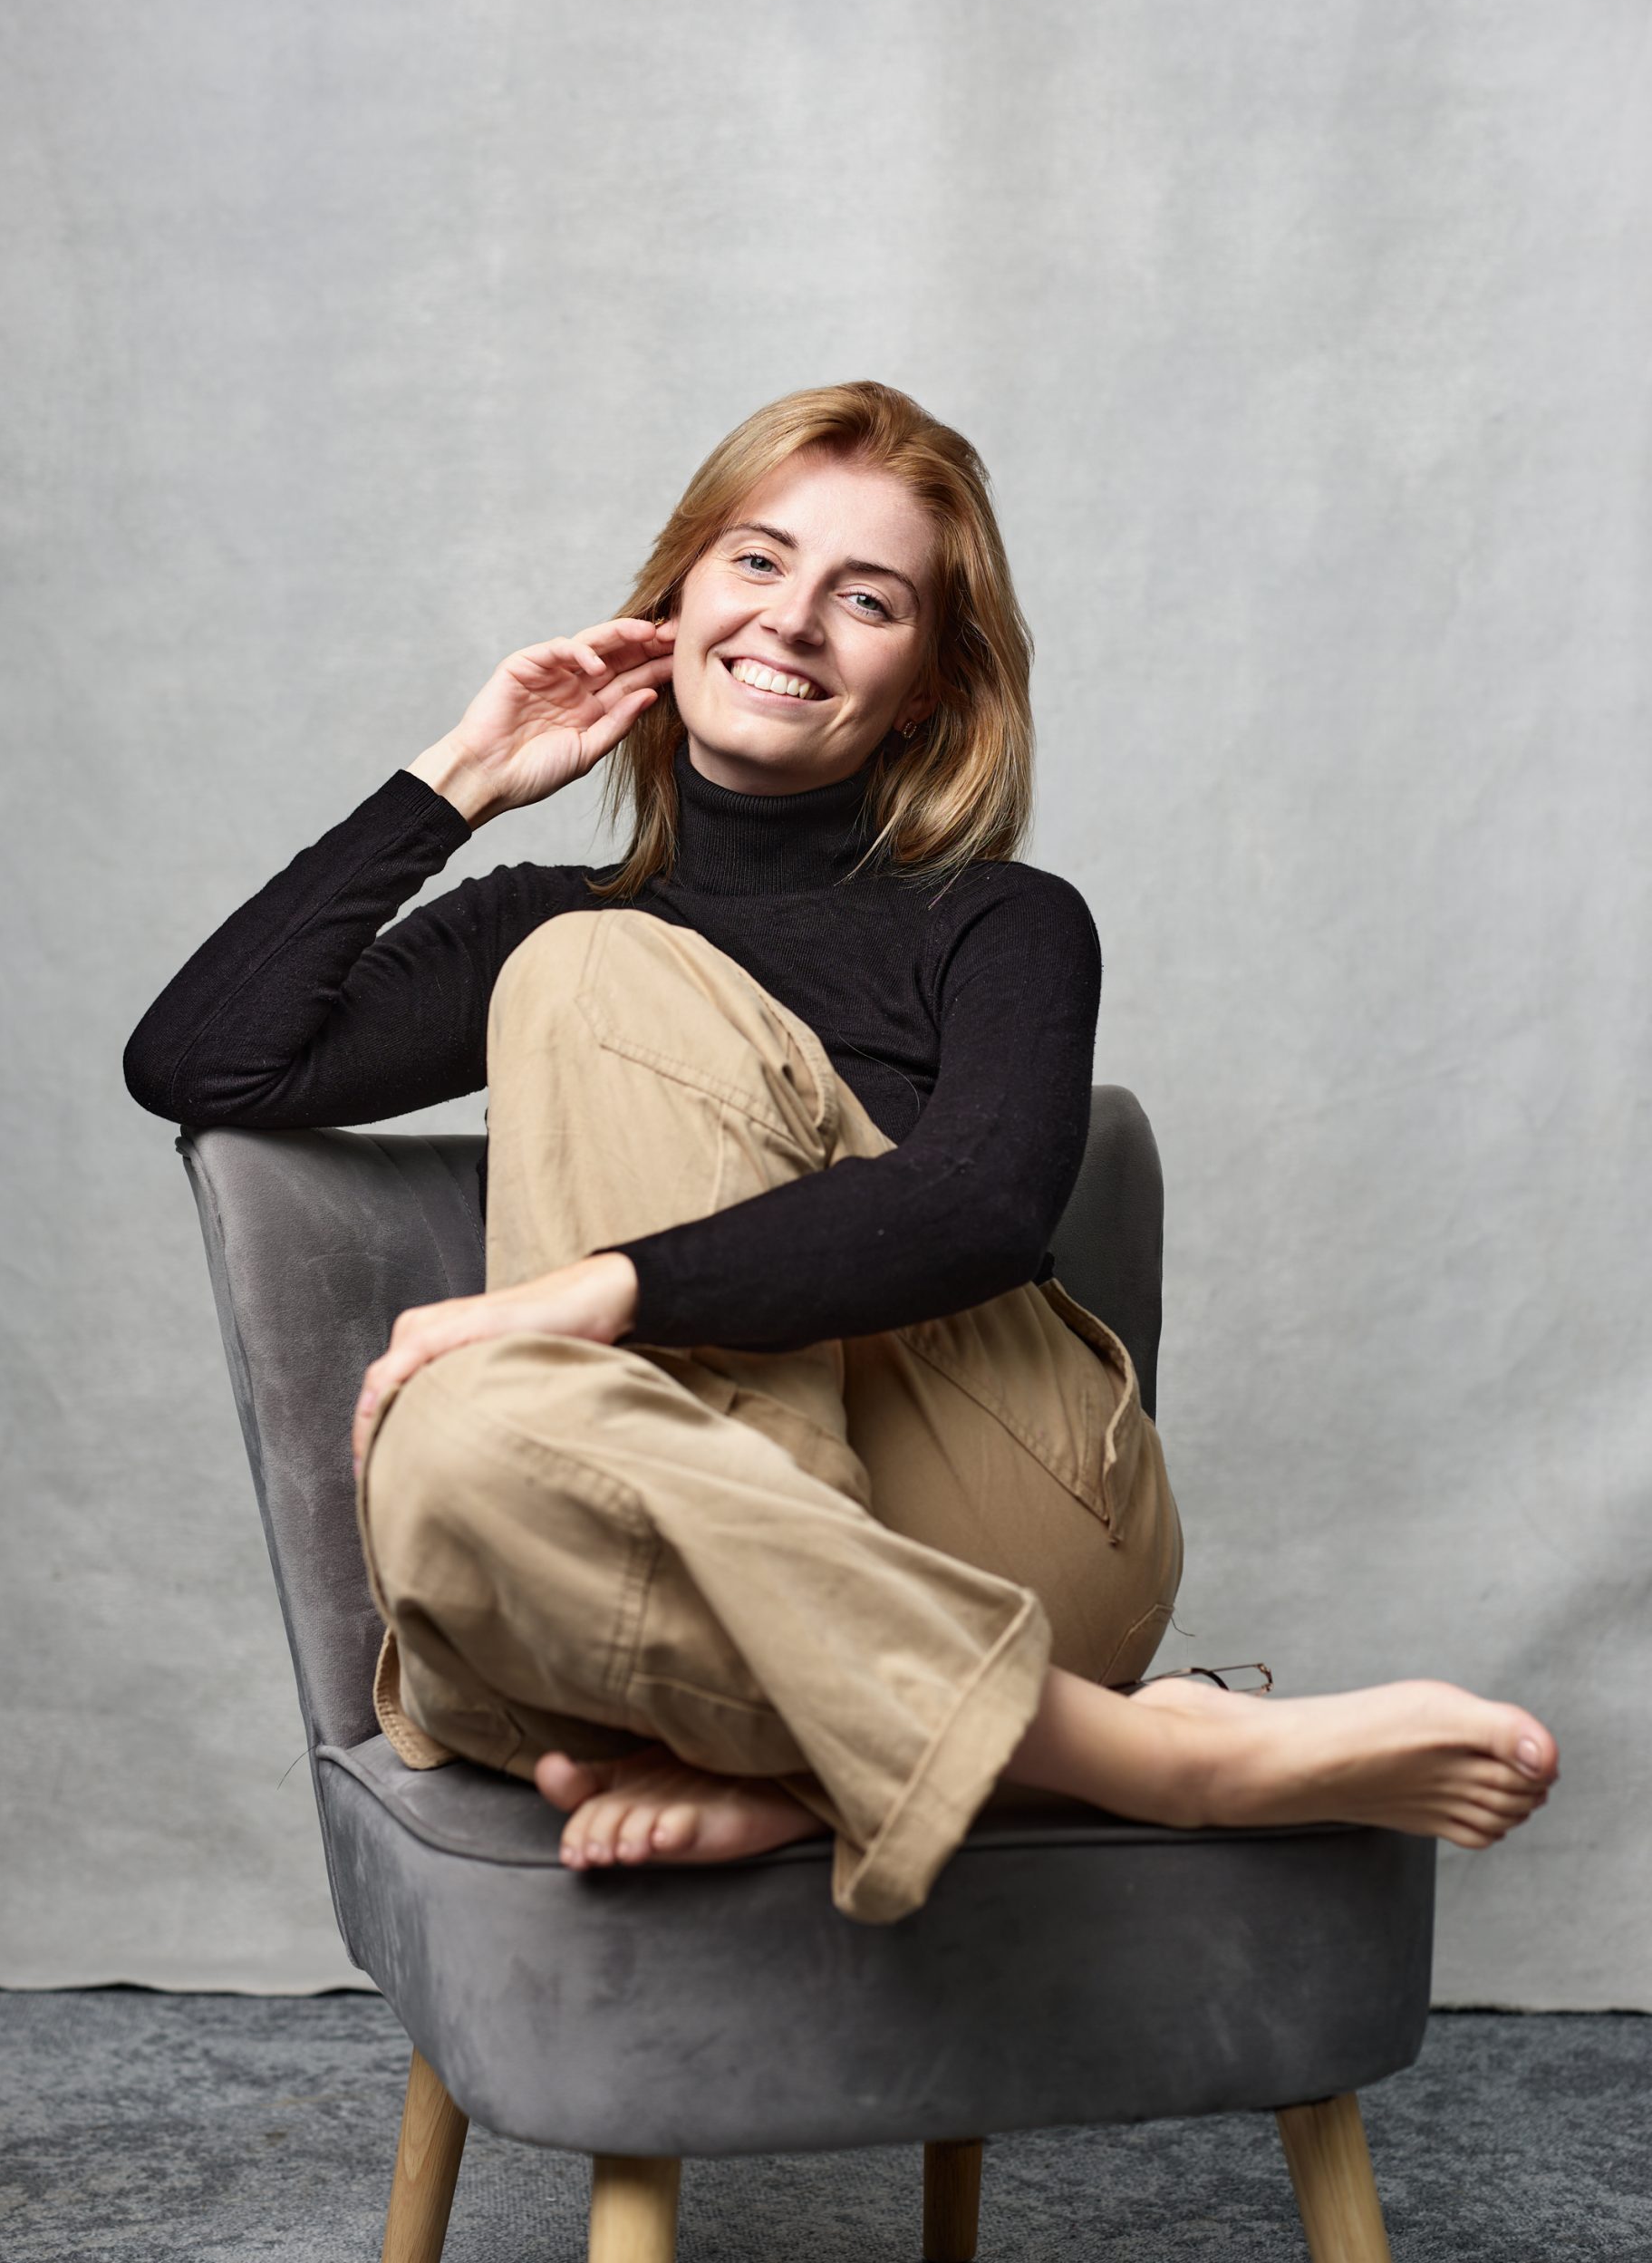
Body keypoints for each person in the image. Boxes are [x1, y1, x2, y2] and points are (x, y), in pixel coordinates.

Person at [124, 379, 1557, 1923]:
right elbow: (203, 1062)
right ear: (675, 599)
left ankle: (946, 1734)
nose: (792, 622)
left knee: (587, 991)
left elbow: (989, 1202)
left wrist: (582, 1296)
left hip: (998, 1514)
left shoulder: (997, 919)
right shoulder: (530, 909)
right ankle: (1053, 1751)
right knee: (455, 1446)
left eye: (864, 599)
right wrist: (459, 779)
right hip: (671, 1550)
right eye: (755, 562)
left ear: (933, 687)